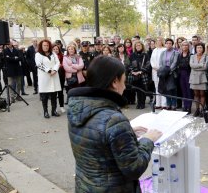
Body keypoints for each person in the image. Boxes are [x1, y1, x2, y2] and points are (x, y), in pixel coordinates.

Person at [67, 56, 162, 192]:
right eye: (124, 80)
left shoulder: (77, 108)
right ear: (115, 82)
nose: (125, 85)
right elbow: (133, 168)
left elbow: (95, 140)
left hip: (85, 186)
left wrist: (125, 134)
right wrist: (148, 140)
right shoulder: (114, 120)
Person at [35, 39, 62, 118]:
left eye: (47, 45)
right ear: (41, 46)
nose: (46, 47)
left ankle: (53, 111)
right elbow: (39, 65)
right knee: (44, 96)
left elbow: (58, 62)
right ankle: (45, 112)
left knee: (54, 95)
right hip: (44, 77)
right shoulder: (38, 54)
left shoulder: (53, 53)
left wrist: (54, 70)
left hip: (54, 76)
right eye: (44, 45)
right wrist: (49, 71)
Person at [128, 41, 150, 109]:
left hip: (142, 74)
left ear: (142, 46)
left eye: (139, 45)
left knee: (142, 89)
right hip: (134, 75)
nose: (138, 47)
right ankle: (138, 103)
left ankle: (142, 103)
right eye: (137, 46)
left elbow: (148, 64)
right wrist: (132, 71)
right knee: (137, 89)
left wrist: (141, 71)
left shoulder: (145, 55)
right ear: (135, 47)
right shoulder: (132, 55)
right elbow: (129, 64)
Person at [158, 38, 179, 110]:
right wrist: (163, 71)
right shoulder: (163, 53)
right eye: (167, 43)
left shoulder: (176, 52)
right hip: (164, 73)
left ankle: (174, 104)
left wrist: (169, 70)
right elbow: (160, 63)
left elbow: (175, 63)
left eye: (170, 43)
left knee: (172, 89)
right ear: (165, 44)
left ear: (172, 44)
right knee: (166, 89)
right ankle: (168, 104)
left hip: (172, 73)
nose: (168, 45)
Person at [189, 43, 208, 117]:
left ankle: (201, 110)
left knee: (202, 94)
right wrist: (200, 65)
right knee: (196, 94)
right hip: (193, 78)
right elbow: (191, 65)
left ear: (203, 49)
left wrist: (196, 66)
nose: (199, 49)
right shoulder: (192, 56)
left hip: (202, 78)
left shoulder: (206, 57)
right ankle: (197, 109)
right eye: (197, 48)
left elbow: (205, 67)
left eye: (200, 47)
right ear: (195, 49)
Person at [150, 37, 167, 109]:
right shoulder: (154, 50)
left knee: (162, 86)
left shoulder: (164, 49)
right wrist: (154, 67)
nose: (158, 42)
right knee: (156, 86)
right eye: (157, 41)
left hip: (161, 70)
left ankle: (164, 104)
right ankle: (158, 103)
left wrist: (160, 68)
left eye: (160, 40)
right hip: (154, 70)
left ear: (162, 41)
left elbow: (165, 60)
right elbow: (151, 60)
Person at [177, 41, 193, 114]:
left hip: (188, 74)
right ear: (181, 46)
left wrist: (182, 66)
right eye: (183, 45)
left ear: (188, 47)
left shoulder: (191, 55)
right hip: (181, 75)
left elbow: (188, 65)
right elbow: (178, 65)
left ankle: (189, 107)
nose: (185, 46)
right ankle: (185, 106)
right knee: (183, 91)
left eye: (186, 45)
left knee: (189, 91)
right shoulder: (179, 55)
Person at [52, 44, 66, 113]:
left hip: (61, 76)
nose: (55, 50)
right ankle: (54, 107)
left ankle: (61, 106)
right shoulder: (50, 57)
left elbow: (64, 64)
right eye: (54, 49)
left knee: (60, 92)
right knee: (54, 93)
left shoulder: (62, 56)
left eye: (57, 49)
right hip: (53, 76)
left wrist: (61, 66)